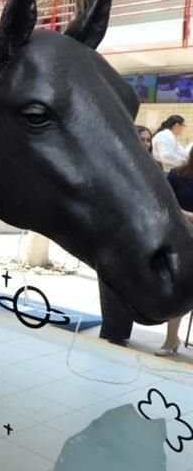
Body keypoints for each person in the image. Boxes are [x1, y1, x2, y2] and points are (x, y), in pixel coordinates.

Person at [99, 125, 164, 345]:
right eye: (142, 139)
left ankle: (120, 331)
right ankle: (112, 330)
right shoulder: (114, 162)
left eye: (148, 140)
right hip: (115, 231)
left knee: (132, 282)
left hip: (143, 234)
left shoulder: (156, 166)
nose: (146, 143)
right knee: (112, 283)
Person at [157, 149, 193, 356]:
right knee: (179, 288)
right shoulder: (178, 174)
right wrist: (185, 214)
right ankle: (171, 340)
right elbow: (164, 200)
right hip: (180, 236)